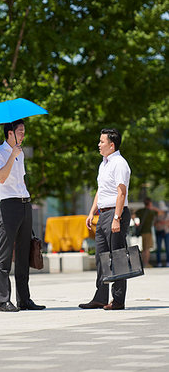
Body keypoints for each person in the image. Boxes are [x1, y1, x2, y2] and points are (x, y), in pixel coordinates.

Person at [0, 119, 46, 312]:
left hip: (24, 204)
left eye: (23, 132)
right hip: (8, 206)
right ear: (10, 133)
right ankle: (3, 301)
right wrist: (11, 156)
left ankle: (24, 299)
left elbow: (20, 181)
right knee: (5, 255)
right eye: (20, 132)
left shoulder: (20, 154)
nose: (23, 135)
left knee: (24, 254)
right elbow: (1, 177)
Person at [79, 128, 131, 311]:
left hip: (116, 213)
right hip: (103, 214)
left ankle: (118, 301)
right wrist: (92, 212)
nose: (98, 145)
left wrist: (116, 218)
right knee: (101, 257)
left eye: (101, 142)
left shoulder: (119, 163)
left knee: (117, 257)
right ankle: (100, 297)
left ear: (112, 144)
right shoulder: (104, 164)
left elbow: (121, 192)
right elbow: (101, 190)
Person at [135, 197, 157, 268]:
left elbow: (133, 215)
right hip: (148, 232)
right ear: (150, 203)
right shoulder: (151, 212)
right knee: (147, 249)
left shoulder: (140, 211)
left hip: (142, 231)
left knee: (144, 248)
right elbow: (160, 213)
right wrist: (153, 207)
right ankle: (146, 263)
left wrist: (136, 224)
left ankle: (142, 263)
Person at [154, 201, 169, 267]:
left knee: (167, 247)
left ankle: (168, 261)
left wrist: (162, 222)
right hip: (159, 231)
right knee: (159, 248)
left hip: (166, 231)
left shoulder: (167, 214)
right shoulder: (156, 215)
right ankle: (159, 262)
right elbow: (155, 224)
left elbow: (167, 223)